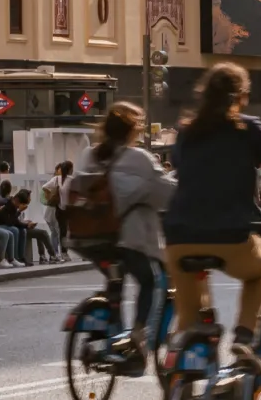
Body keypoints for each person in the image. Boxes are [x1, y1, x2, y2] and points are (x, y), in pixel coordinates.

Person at [162, 64, 261, 359]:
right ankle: (244, 337)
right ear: (242, 96)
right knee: (259, 274)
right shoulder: (247, 128)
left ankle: (181, 367)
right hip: (231, 234)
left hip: (179, 237)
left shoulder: (186, 131)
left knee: (190, 319)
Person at [73, 102, 173, 359]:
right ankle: (137, 339)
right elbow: (166, 194)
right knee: (150, 281)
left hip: (89, 238)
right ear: (133, 131)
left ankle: (111, 327)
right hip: (127, 239)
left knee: (115, 280)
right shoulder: (139, 159)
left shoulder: (89, 155)